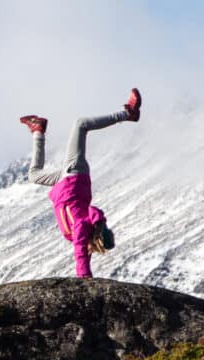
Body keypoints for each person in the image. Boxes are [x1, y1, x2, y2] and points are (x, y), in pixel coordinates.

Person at [20, 89, 142, 278]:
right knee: (80, 125)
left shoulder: (80, 233)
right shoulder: (86, 224)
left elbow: (82, 251)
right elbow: (82, 251)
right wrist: (84, 276)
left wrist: (85, 273)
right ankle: (128, 114)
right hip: (73, 175)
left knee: (34, 175)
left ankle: (38, 129)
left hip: (63, 183)